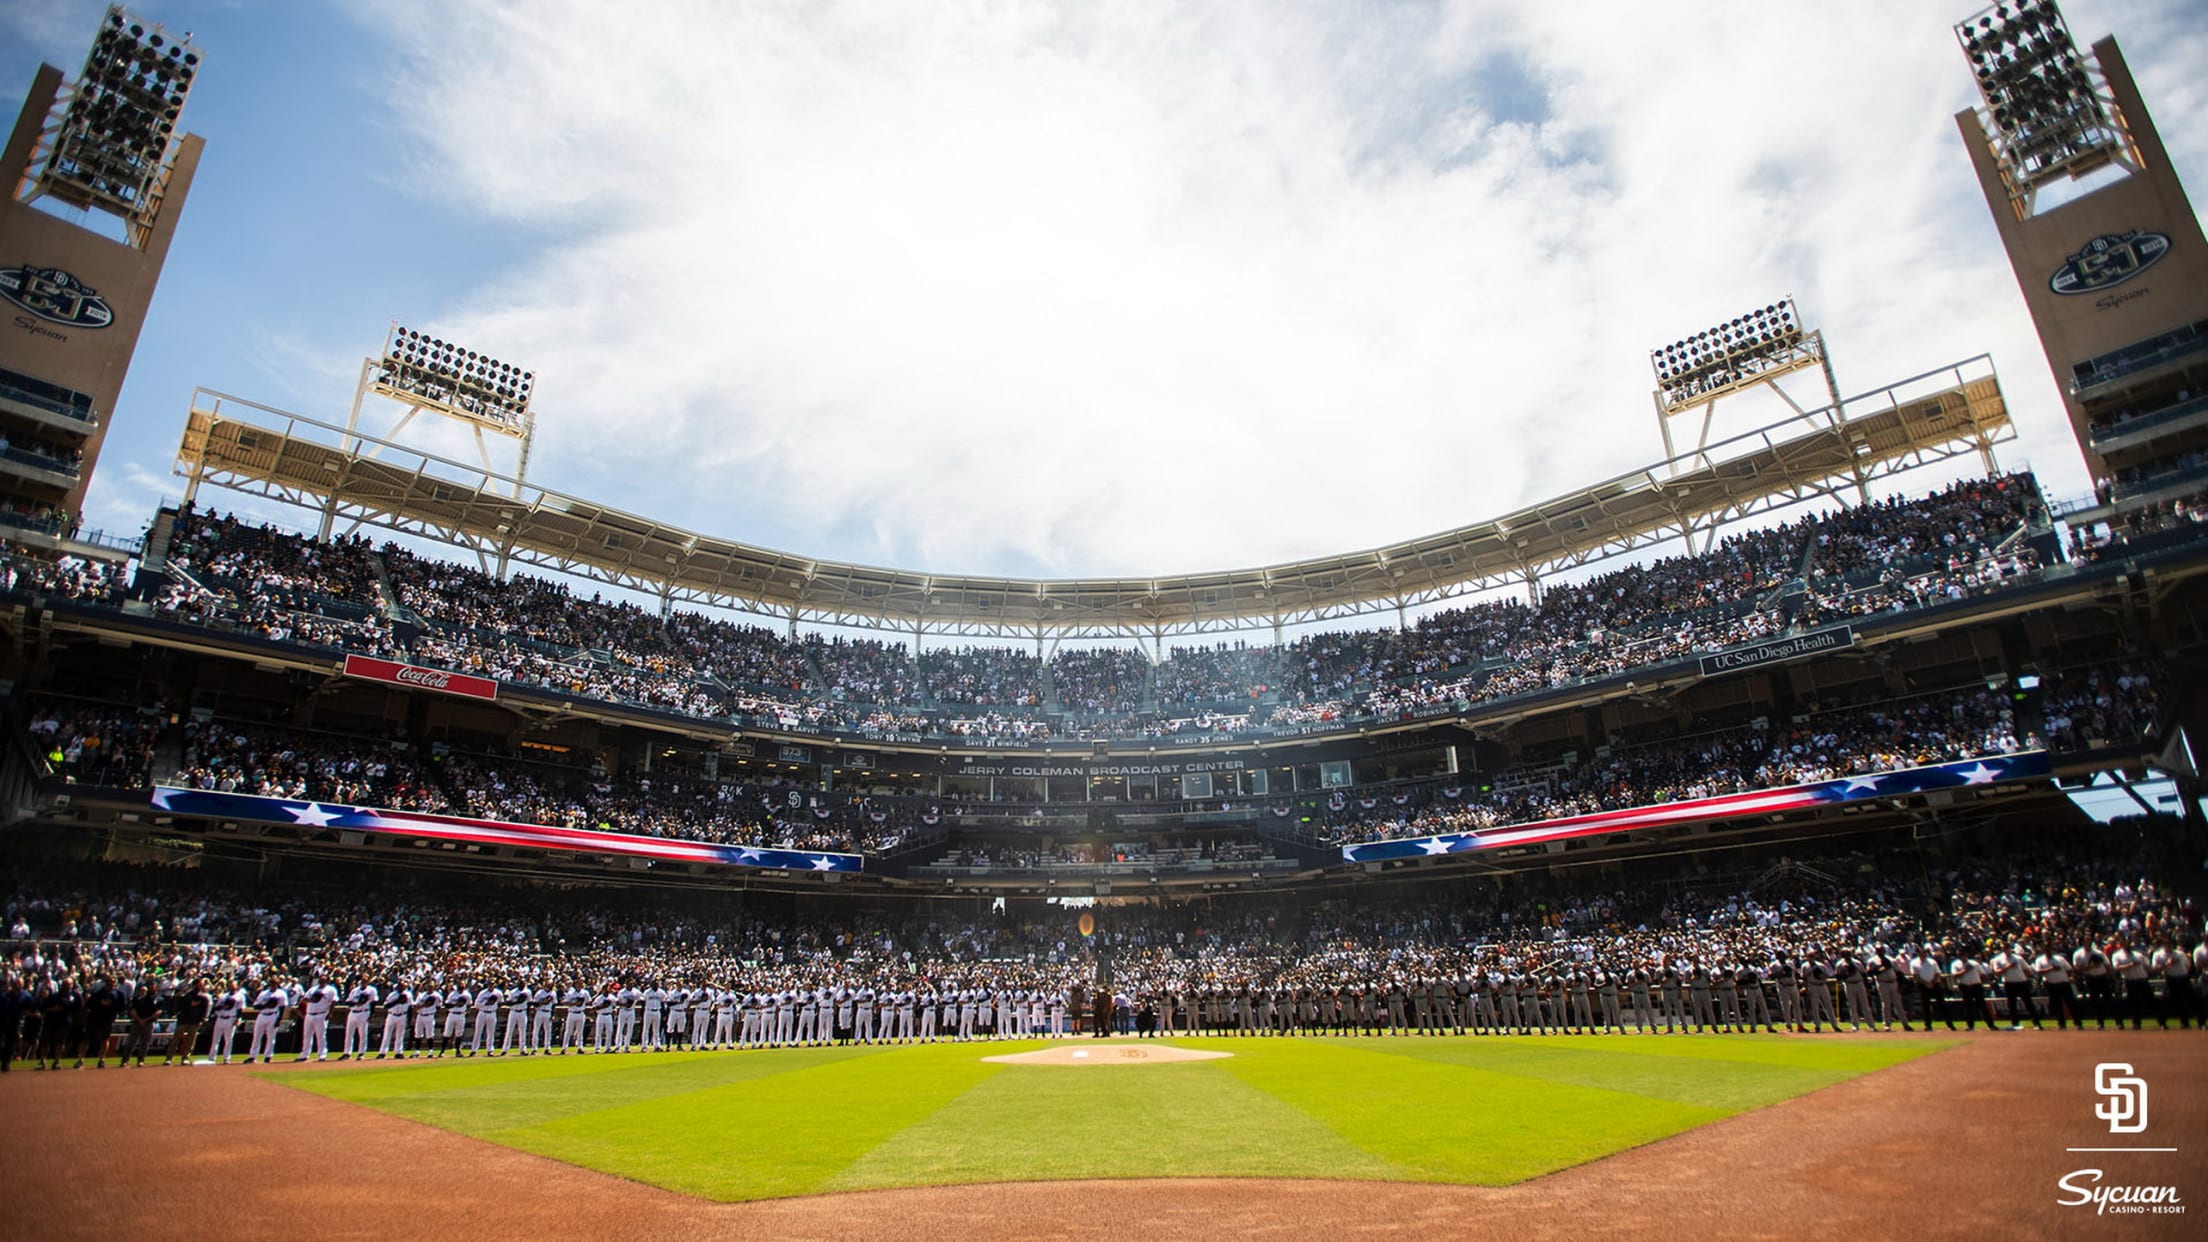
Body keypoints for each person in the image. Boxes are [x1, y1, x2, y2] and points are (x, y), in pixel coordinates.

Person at [167, 979, 211, 1066]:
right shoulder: (187, 995)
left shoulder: (204, 997)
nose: (203, 986)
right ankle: (169, 1058)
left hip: (195, 1021)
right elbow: (183, 1005)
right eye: (201, 984)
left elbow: (204, 1010)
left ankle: (185, 1058)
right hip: (183, 1020)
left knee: (190, 1041)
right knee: (176, 1040)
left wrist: (202, 1019)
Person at [246, 979, 289, 1064]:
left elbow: (283, 1007)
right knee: (257, 1037)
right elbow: (256, 1006)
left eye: (274, 983)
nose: (273, 984)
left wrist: (279, 1019)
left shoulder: (281, 993)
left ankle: (268, 1056)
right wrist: (265, 1005)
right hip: (262, 1015)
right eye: (271, 983)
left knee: (271, 1037)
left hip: (273, 1015)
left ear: (277, 984)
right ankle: (252, 1056)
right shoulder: (263, 993)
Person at [121, 979, 160, 1067]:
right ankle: (125, 1060)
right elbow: (133, 1010)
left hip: (148, 1023)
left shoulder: (158, 999)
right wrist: (139, 1020)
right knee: (131, 1042)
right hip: (137, 1022)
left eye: (153, 986)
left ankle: (141, 1060)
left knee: (145, 1043)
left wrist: (146, 1020)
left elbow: (158, 1012)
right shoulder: (139, 999)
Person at [299, 978, 338, 1061]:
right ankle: (305, 1054)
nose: (321, 981)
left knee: (321, 1035)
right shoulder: (313, 989)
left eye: (324, 980)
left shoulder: (330, 990)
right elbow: (303, 1000)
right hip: (309, 1014)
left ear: (327, 981)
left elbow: (334, 1002)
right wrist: (311, 1000)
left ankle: (322, 1054)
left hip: (321, 1014)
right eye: (320, 980)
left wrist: (330, 1013)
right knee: (307, 1035)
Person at [207, 982, 246, 1064]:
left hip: (230, 1018)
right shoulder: (224, 996)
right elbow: (216, 1008)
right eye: (230, 986)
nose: (232, 988)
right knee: (215, 1039)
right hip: (220, 1018)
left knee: (228, 1040)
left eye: (233, 986)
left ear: (236, 987)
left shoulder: (240, 996)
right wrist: (223, 1006)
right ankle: (211, 1058)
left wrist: (238, 1018)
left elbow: (240, 1009)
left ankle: (226, 1058)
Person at [341, 979, 377, 1059]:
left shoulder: (371, 990)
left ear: (368, 982)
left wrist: (371, 1015)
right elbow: (348, 1002)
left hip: (364, 1012)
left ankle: (361, 1053)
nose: (363, 983)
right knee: (349, 1034)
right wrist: (356, 1003)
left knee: (363, 1034)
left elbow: (374, 1002)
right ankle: (347, 1053)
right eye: (362, 981)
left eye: (365, 981)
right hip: (353, 1012)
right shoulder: (355, 990)